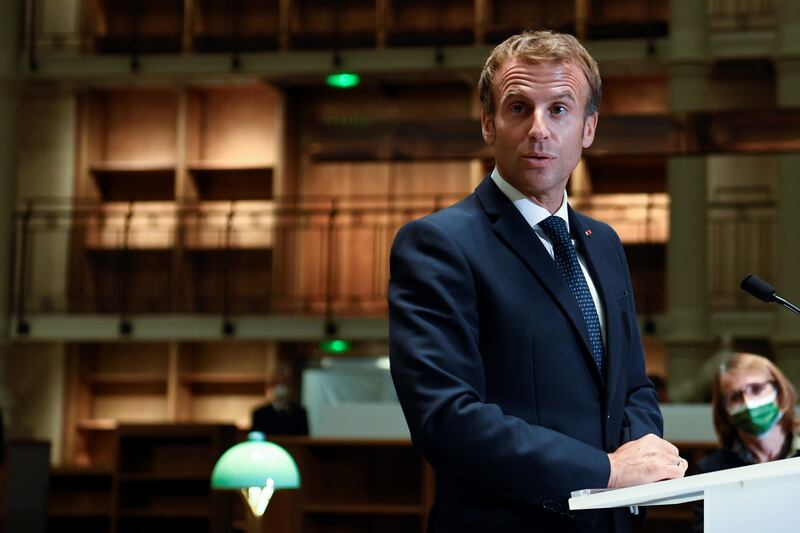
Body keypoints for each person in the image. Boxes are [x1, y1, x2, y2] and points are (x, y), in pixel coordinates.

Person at [388, 29, 687, 533]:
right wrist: (607, 471)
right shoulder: (438, 244)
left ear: (589, 128)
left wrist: (644, 453)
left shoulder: (604, 242)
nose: (539, 129)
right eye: (519, 108)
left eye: (560, 110)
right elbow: (446, 417)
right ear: (489, 123)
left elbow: (634, 386)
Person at [691, 352, 800, 531]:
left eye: (756, 389)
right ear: (724, 410)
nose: (748, 403)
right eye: (735, 397)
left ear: (779, 392)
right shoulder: (711, 471)